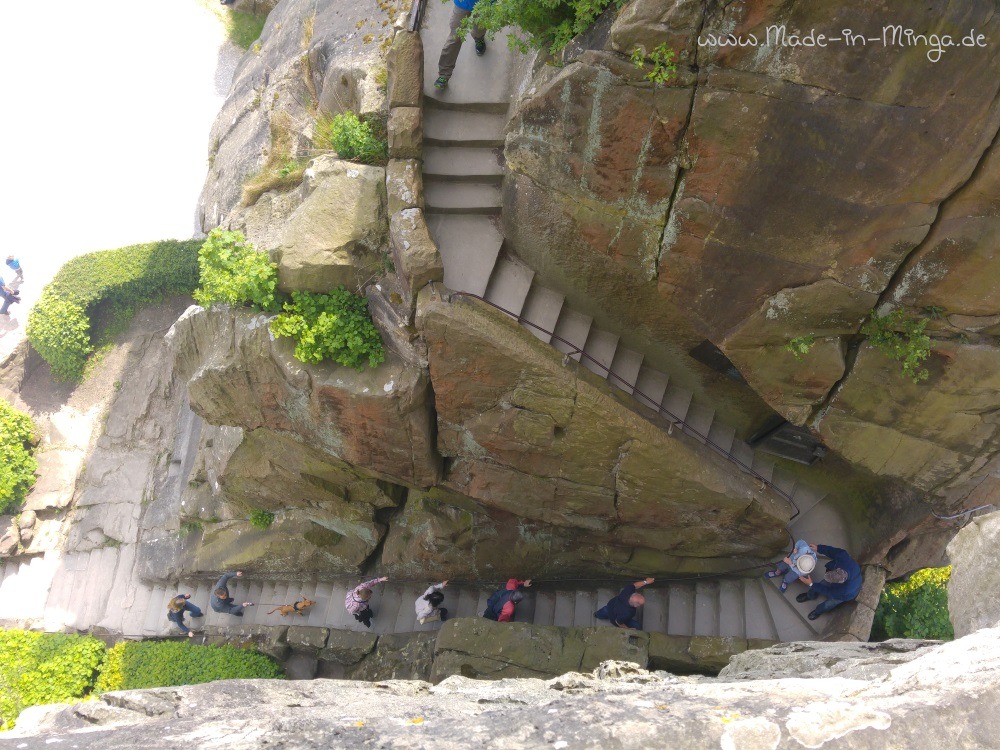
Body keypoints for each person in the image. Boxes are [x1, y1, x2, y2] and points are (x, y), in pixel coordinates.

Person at [796, 543, 863, 620]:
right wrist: (819, 548)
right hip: (844, 584)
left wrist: (811, 584)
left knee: (827, 605)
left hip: (843, 595)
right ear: (838, 569)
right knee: (821, 584)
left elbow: (828, 591)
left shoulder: (846, 590)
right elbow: (834, 552)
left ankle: (817, 611)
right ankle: (810, 595)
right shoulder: (844, 558)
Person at [434, 0, 487, 90]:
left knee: (479, 30)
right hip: (462, 4)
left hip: (484, 4)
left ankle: (479, 38)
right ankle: (444, 74)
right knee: (455, 37)